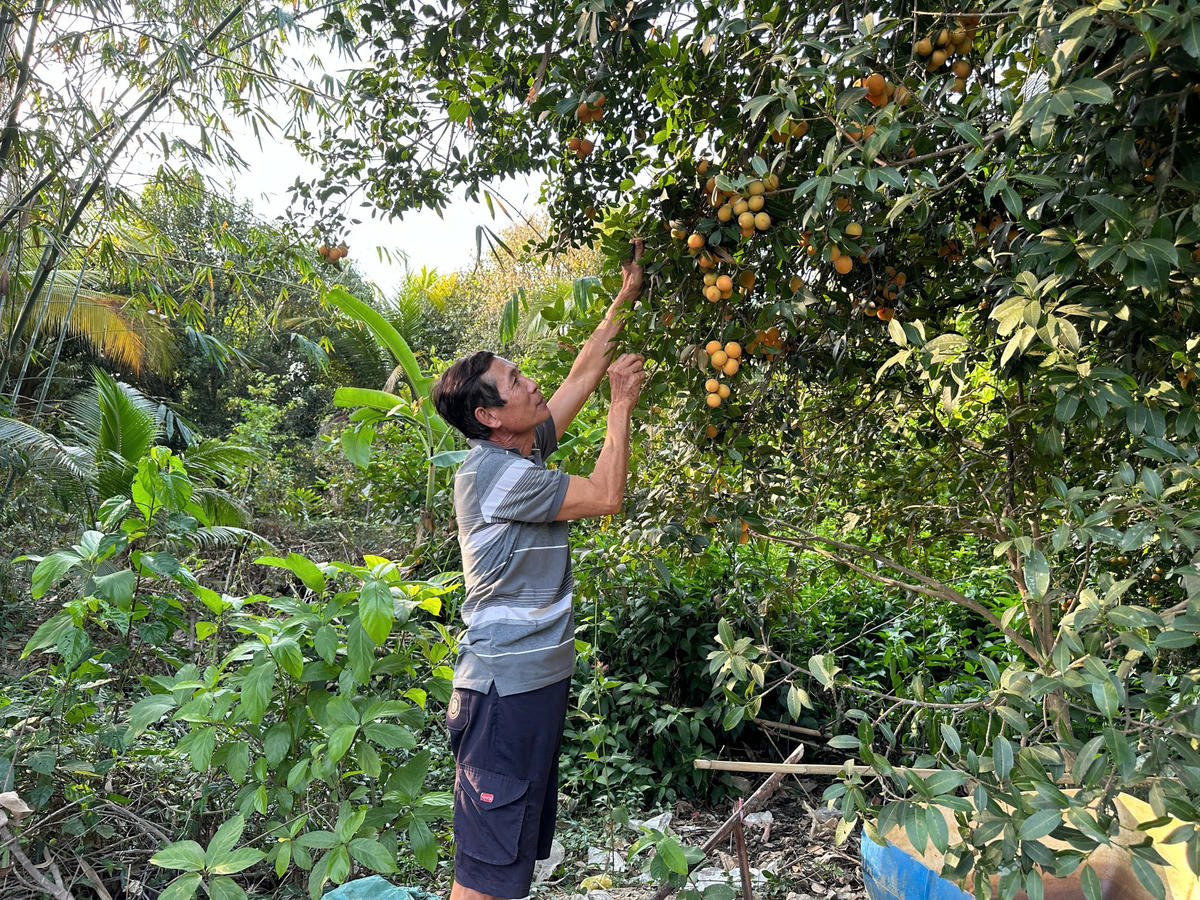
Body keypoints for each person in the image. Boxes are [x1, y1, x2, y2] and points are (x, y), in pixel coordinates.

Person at [429, 241, 647, 900]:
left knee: (509, 863)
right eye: (518, 380)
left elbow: (579, 373)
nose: (533, 384)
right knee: (486, 875)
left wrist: (623, 299)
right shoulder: (498, 477)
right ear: (491, 417)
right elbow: (607, 496)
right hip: (503, 695)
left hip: (530, 688)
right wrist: (620, 407)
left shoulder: (520, 453)